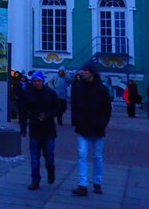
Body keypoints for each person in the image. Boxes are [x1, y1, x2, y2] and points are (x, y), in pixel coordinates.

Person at [70, 63, 112, 197]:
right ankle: (83, 184)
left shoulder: (102, 89)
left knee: (97, 156)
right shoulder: (78, 87)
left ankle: (97, 182)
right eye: (83, 70)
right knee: (82, 155)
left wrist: (102, 124)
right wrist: (76, 120)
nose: (82, 72)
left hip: (98, 127)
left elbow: (107, 109)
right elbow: (74, 105)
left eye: (85, 71)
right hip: (83, 127)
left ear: (92, 73)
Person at [24, 71, 60, 190]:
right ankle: (35, 180)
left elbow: (58, 108)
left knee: (49, 155)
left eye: (38, 81)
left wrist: (47, 115)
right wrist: (23, 128)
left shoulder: (50, 93)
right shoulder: (29, 94)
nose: (36, 83)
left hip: (48, 129)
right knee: (34, 158)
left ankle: (51, 170)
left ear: (42, 81)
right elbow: (23, 111)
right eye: (34, 81)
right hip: (35, 129)